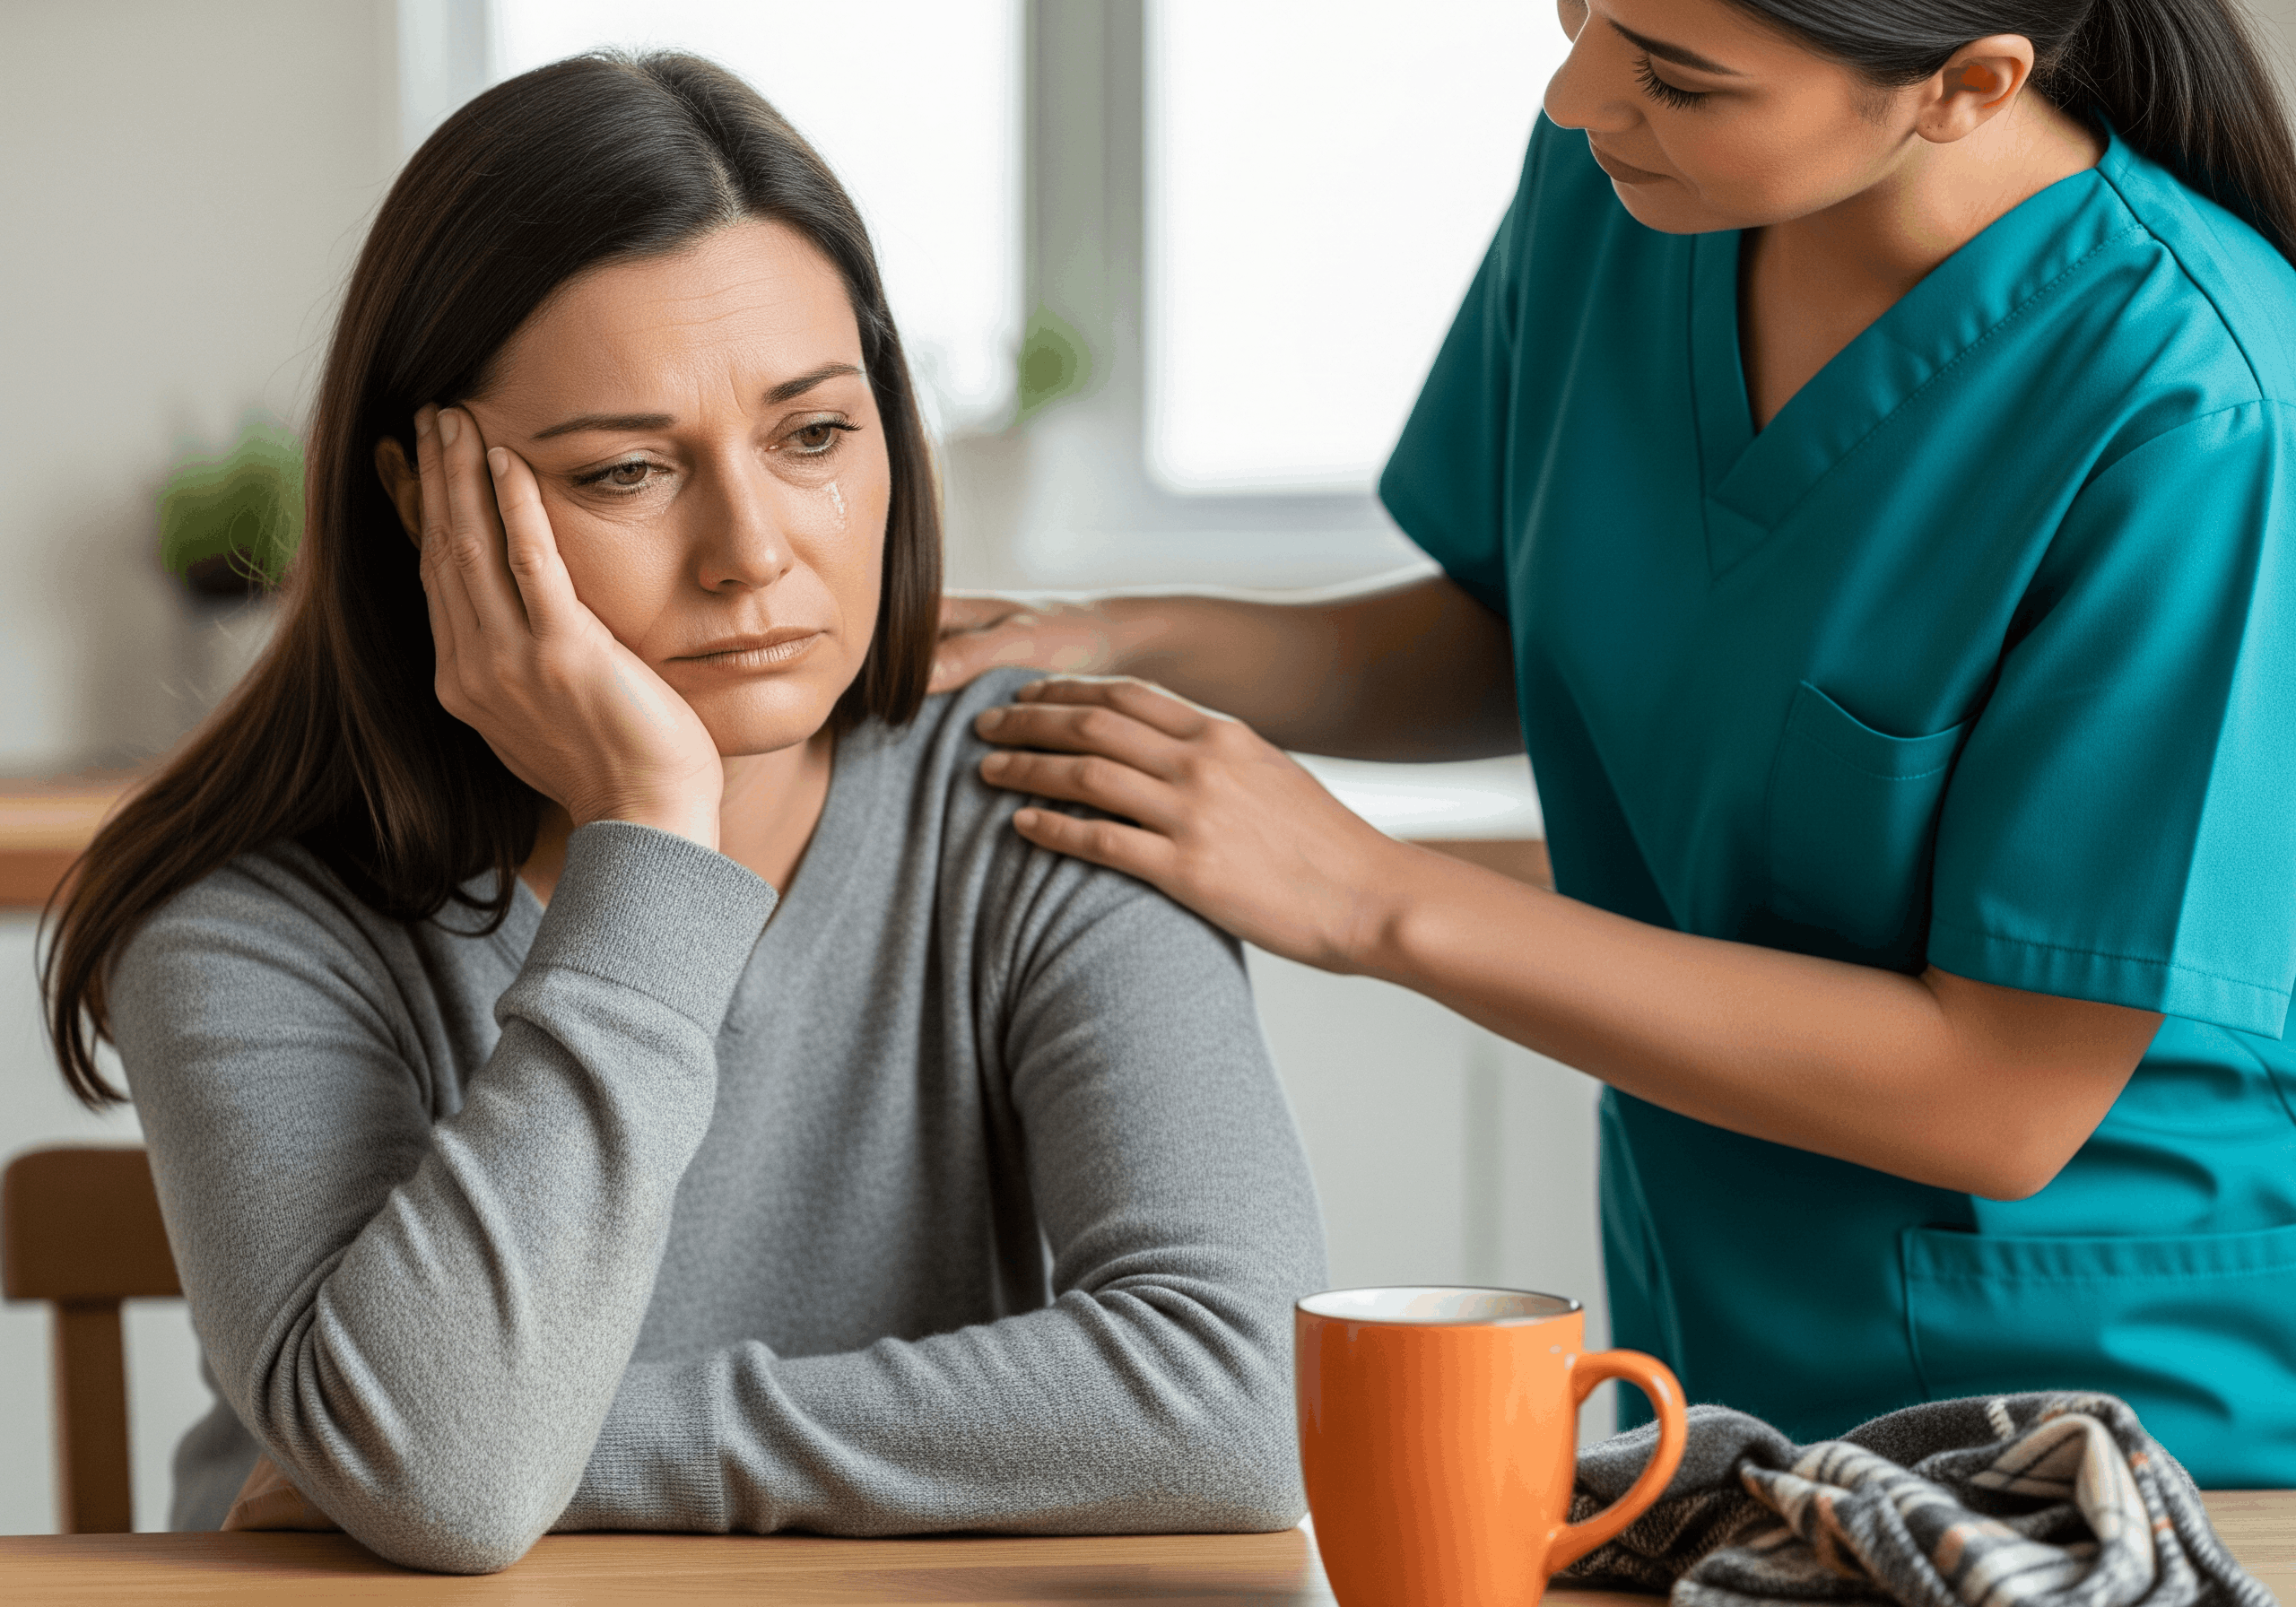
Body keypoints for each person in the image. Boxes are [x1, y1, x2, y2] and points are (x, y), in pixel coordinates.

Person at [934, 0, 2296, 1484]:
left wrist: (1370, 899)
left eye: (1676, 74)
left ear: (1966, 87)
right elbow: (1541, 629)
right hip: (1716, 1367)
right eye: (1583, 12)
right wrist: (1129, 640)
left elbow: (2003, 1097)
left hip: (2115, 1414)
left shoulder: (2201, 408)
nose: (1579, 94)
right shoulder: (1628, 189)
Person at [39, 52, 1324, 1574]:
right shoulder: (254, 921)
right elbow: (445, 1484)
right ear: (417, 498)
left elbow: (1247, 1397)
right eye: (629, 471)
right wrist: (653, 830)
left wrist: (555, 1453)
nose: (751, 552)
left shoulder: (1047, 797)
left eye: (815, 438)